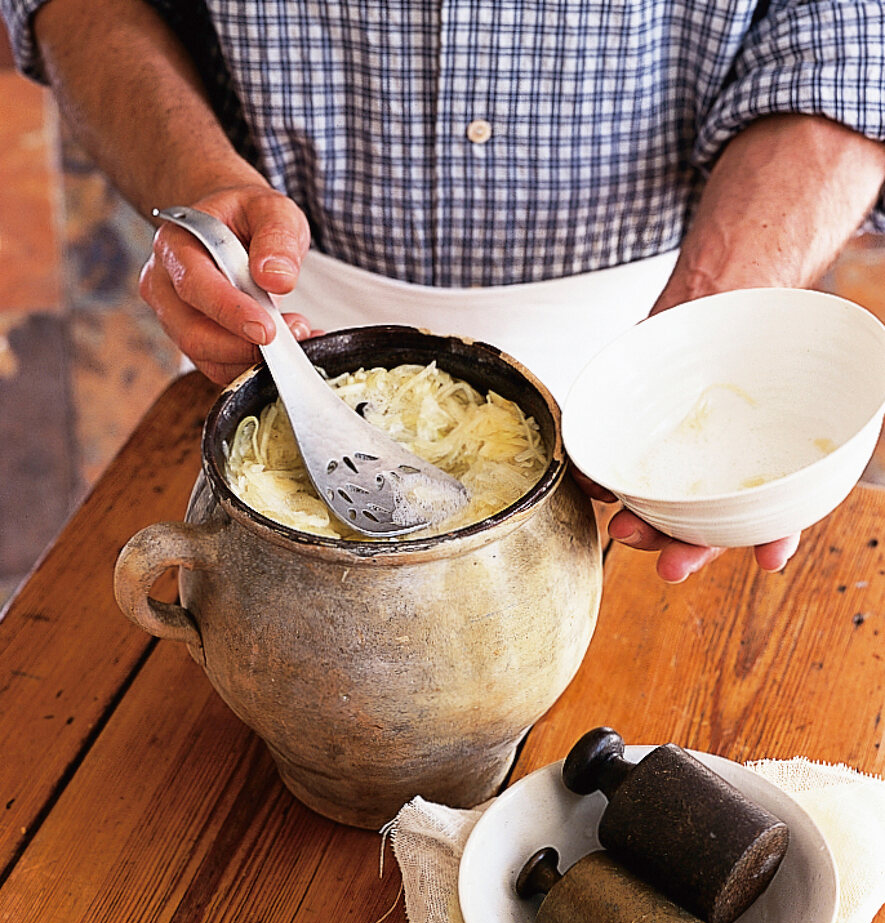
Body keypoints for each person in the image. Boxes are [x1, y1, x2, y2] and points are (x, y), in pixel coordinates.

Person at [4, 0, 885, 581]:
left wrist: (718, 316)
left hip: (662, 345)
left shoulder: (688, 335)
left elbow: (854, 29)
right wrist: (195, 175)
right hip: (290, 320)